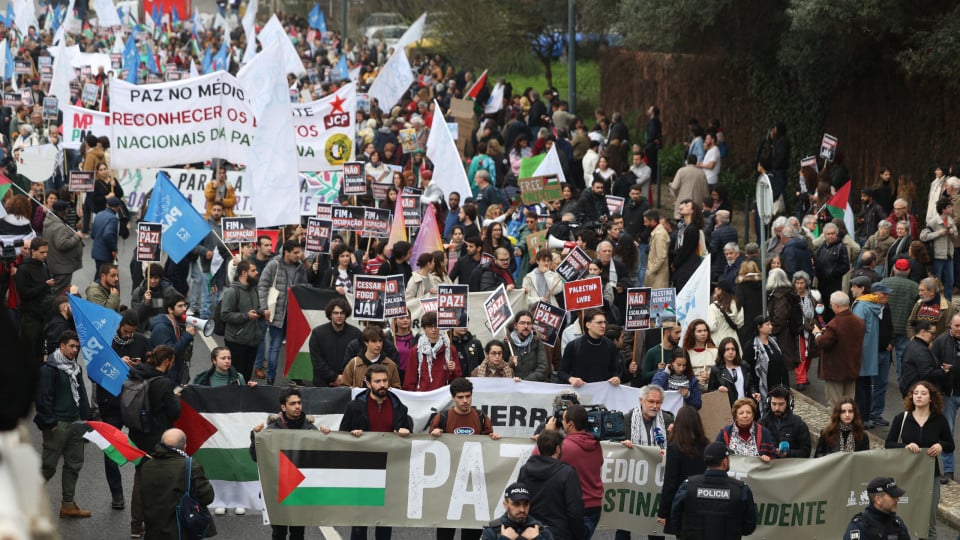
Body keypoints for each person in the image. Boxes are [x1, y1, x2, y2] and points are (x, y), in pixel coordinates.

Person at [339, 364, 412, 540]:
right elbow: (342, 435)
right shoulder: (354, 407)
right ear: (368, 383)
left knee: (385, 520)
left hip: (389, 470)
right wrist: (352, 435)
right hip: (362, 470)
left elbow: (409, 433)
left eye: (385, 381)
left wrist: (405, 431)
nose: (382, 385)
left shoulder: (400, 408)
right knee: (360, 520)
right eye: (377, 381)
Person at [252, 388, 331, 540]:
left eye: (299, 403)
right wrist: (254, 438)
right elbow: (257, 457)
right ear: (283, 407)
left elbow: (321, 458)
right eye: (293, 403)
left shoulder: (310, 429)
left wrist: (325, 438)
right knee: (279, 533)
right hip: (278, 489)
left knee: (298, 533)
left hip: (300, 490)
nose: (297, 407)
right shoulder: (272, 430)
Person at [431, 378, 501, 540]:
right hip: (449, 482)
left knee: (471, 530)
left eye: (468, 396)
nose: (465, 401)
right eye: (460, 397)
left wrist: (493, 438)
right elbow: (429, 449)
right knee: (446, 530)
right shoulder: (442, 417)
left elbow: (488, 446)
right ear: (453, 398)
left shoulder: (482, 417)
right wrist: (433, 437)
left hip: (473, 482)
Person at [885, 381, 954, 539]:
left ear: (931, 398)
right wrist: (905, 446)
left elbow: (951, 445)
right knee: (904, 517)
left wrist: (940, 445)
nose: (919, 396)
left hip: (931, 475)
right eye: (916, 393)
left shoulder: (939, 420)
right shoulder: (902, 418)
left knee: (929, 521)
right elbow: (888, 444)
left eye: (923, 393)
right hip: (906, 474)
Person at [34, 331, 92, 518]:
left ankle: (67, 505)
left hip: (76, 423)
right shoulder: (49, 368)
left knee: (74, 464)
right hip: (57, 424)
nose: (75, 350)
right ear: (62, 346)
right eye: (71, 346)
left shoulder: (76, 368)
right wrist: (50, 423)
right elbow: (43, 399)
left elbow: (82, 395)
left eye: (77, 347)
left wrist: (86, 421)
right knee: (48, 466)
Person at [127, 345, 182, 538]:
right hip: (157, 438)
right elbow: (175, 412)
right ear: (167, 361)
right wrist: (174, 397)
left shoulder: (137, 374)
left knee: (140, 478)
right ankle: (158, 524)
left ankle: (136, 525)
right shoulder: (163, 383)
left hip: (137, 434)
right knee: (161, 481)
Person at [669, 441, 758, 539]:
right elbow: (749, 525)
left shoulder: (688, 486)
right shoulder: (740, 490)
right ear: (725, 461)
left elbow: (675, 517)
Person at [140, 428, 216, 540]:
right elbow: (207, 497)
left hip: (153, 531)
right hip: (181, 531)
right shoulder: (190, 466)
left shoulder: (147, 466)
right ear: (184, 446)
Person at [541, 404, 603, 540]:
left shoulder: (565, 446)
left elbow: (540, 459)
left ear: (571, 424)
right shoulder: (596, 444)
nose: (561, 423)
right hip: (594, 508)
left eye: (563, 420)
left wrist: (548, 434)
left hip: (574, 509)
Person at [517, 430, 584, 540]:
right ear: (558, 449)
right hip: (559, 533)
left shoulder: (524, 470)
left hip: (531, 531)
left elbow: (519, 502)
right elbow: (575, 512)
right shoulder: (567, 473)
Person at [259, 240, 309, 385]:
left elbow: (305, 285)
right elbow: (262, 285)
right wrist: (264, 308)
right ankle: (271, 378)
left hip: (294, 315)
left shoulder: (300, 267)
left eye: (299, 252)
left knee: (295, 348)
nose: (298, 255)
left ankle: (295, 377)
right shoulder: (274, 264)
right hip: (278, 313)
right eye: (295, 252)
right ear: (286, 252)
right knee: (275, 347)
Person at [657, 406, 709, 537]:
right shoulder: (706, 445)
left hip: (682, 502)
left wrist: (663, 512)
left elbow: (670, 482)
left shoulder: (675, 448)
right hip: (703, 501)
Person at [813, 291, 866, 408]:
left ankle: (837, 426)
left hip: (835, 371)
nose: (831, 307)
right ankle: (848, 426)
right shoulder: (859, 321)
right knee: (849, 404)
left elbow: (823, 342)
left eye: (832, 305)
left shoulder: (835, 324)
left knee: (835, 405)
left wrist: (817, 334)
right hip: (852, 368)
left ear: (836, 306)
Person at [219, 260, 263, 382]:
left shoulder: (253, 289)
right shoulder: (232, 291)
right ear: (244, 273)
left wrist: (262, 312)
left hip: (252, 340)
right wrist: (246, 316)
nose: (257, 272)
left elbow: (256, 309)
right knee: (237, 377)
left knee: (247, 376)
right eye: (253, 270)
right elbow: (225, 315)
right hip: (236, 341)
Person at [16, 236, 54, 365]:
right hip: (30, 318)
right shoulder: (24, 269)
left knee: (41, 354)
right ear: (33, 251)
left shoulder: (43, 266)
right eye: (42, 252)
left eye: (46, 252)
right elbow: (25, 294)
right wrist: (45, 285)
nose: (45, 255)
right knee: (29, 354)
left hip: (43, 316)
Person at [559, 308, 621, 387]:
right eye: (599, 323)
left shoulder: (611, 346)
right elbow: (562, 372)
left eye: (605, 322)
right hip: (581, 394)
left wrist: (616, 378)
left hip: (603, 395)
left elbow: (615, 370)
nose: (603, 326)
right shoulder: (573, 346)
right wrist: (571, 379)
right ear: (588, 325)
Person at [309, 297, 362, 387]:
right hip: (322, 384)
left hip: (348, 384)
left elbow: (359, 359)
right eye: (335, 313)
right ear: (330, 314)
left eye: (342, 313)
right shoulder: (317, 333)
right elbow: (316, 360)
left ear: (346, 314)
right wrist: (334, 377)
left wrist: (343, 378)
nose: (339, 316)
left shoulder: (356, 333)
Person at [404, 311, 462, 391]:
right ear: (424, 328)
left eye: (436, 326)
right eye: (430, 327)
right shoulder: (416, 350)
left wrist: (453, 370)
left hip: (443, 398)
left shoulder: (450, 349)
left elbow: (457, 380)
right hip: (422, 397)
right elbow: (410, 380)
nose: (434, 330)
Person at [148, 293, 196, 385]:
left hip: (175, 372)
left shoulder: (176, 323)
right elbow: (170, 352)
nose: (184, 309)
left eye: (185, 306)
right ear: (170, 309)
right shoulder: (161, 329)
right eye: (180, 306)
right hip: (166, 376)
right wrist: (187, 336)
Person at [480, 483, 555, 540]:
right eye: (516, 504)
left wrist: (538, 538)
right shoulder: (492, 531)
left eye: (526, 504)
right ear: (505, 504)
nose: (522, 509)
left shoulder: (540, 530)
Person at [843, 477, 910, 540]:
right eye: (893, 496)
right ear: (878, 499)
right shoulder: (859, 527)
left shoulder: (897, 524)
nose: (897, 499)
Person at [743, 315, 789, 406]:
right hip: (761, 387)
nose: (771, 326)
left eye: (770, 324)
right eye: (767, 324)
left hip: (777, 385)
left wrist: (786, 386)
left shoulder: (774, 342)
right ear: (759, 327)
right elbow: (747, 369)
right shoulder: (751, 346)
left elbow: (782, 363)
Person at [758, 386, 812, 458]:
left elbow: (806, 452)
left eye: (781, 404)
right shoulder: (762, 423)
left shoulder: (799, 424)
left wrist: (788, 453)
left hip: (790, 467)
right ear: (768, 403)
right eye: (774, 404)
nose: (777, 408)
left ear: (788, 404)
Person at [899, 320, 943, 397]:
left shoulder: (912, 344)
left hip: (911, 390)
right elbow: (928, 374)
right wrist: (943, 371)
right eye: (932, 333)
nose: (934, 336)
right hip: (917, 392)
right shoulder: (921, 350)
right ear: (922, 332)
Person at [505, 311, 549, 381]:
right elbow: (500, 370)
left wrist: (525, 382)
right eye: (522, 323)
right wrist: (510, 364)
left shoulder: (537, 341)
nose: (526, 326)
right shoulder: (507, 343)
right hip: (513, 387)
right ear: (515, 325)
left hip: (532, 387)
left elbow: (542, 368)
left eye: (529, 323)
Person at [708, 338, 751, 406]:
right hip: (727, 407)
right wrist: (718, 390)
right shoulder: (716, 369)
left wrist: (754, 392)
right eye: (727, 349)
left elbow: (751, 384)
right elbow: (710, 391)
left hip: (745, 405)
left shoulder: (744, 365)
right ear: (722, 351)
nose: (730, 352)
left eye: (733, 349)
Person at [682, 318, 717, 390]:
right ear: (692, 333)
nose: (703, 333)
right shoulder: (686, 353)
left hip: (711, 393)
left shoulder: (715, 352)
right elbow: (681, 375)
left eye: (705, 330)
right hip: (692, 393)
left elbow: (722, 374)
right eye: (699, 331)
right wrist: (695, 380)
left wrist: (710, 376)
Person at [90, 196, 120, 276]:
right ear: (118, 207)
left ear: (107, 205)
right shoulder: (113, 218)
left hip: (97, 252)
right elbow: (108, 234)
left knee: (100, 274)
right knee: (105, 278)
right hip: (106, 254)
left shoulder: (98, 215)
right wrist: (114, 248)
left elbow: (92, 234)